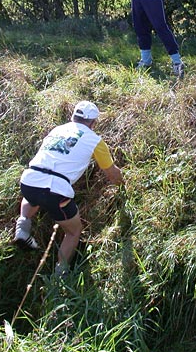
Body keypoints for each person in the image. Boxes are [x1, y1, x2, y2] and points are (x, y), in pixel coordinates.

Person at [13, 101, 123, 277]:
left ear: (73, 117)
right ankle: (60, 274)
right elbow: (111, 173)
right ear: (93, 123)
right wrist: (123, 187)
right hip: (57, 191)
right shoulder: (95, 141)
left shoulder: (57, 130)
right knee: (73, 231)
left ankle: (23, 226)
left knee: (33, 196)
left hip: (29, 180)